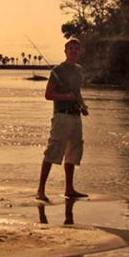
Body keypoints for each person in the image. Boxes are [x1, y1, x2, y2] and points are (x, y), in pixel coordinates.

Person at [36, 38, 89, 201]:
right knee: (53, 151)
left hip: (76, 116)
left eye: (76, 48)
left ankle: (69, 189)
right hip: (61, 115)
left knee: (73, 152)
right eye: (70, 48)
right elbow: (48, 95)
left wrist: (83, 105)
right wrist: (65, 97)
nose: (73, 51)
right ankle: (40, 190)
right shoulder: (57, 71)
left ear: (79, 52)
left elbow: (77, 92)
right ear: (65, 51)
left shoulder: (79, 70)